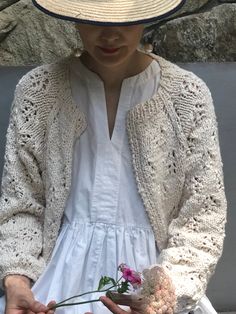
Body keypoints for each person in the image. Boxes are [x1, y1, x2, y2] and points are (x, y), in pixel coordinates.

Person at [0, 0, 227, 314]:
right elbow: (21, 205)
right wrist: (16, 281)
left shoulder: (187, 96)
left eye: (125, 20)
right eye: (96, 20)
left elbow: (202, 217)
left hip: (156, 290)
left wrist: (165, 297)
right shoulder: (38, 92)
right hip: (54, 291)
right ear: (74, 15)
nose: (110, 35)